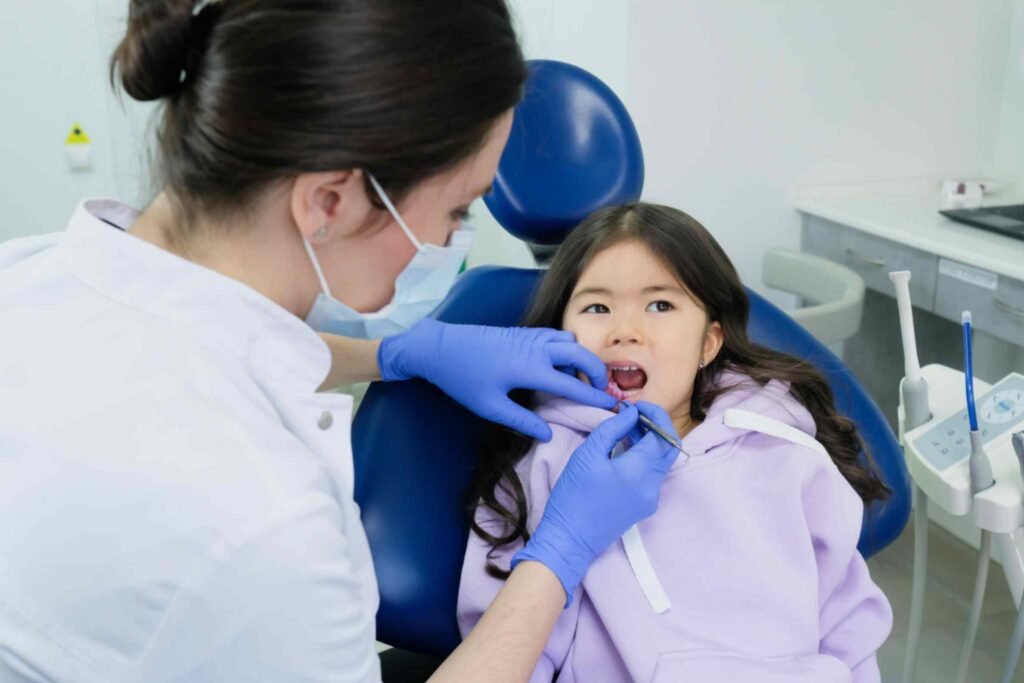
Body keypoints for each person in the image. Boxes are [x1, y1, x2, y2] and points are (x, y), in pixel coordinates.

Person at [0, 3, 680, 681]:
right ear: (329, 202)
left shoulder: (22, 278)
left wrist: (396, 353)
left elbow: (203, 345)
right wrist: (559, 554)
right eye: (457, 210)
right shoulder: (265, 523)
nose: (451, 240)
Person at [459, 203, 895, 682]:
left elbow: (848, 627)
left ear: (709, 343)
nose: (625, 332)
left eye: (661, 305)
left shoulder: (786, 453)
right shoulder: (541, 464)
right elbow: (509, 648)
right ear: (561, 335)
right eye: (597, 307)